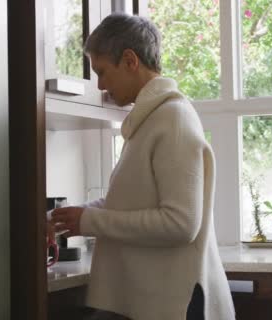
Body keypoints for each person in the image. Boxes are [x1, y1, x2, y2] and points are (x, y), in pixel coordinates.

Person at [50, 12, 235, 320]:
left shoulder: (173, 119)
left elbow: (180, 224)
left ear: (130, 60)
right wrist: (63, 218)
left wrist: (89, 221)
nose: (101, 85)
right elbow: (123, 204)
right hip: (155, 299)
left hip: (177, 303)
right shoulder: (150, 120)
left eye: (103, 71)